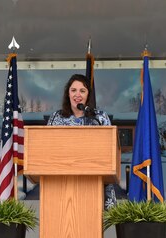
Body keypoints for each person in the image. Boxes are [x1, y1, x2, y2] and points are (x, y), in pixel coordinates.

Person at [47, 74, 116, 210]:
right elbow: (48, 148)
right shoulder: (56, 117)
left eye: (82, 91)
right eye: (73, 90)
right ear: (68, 93)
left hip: (94, 182)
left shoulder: (99, 118)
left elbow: (109, 149)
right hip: (62, 183)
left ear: (88, 95)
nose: (77, 94)